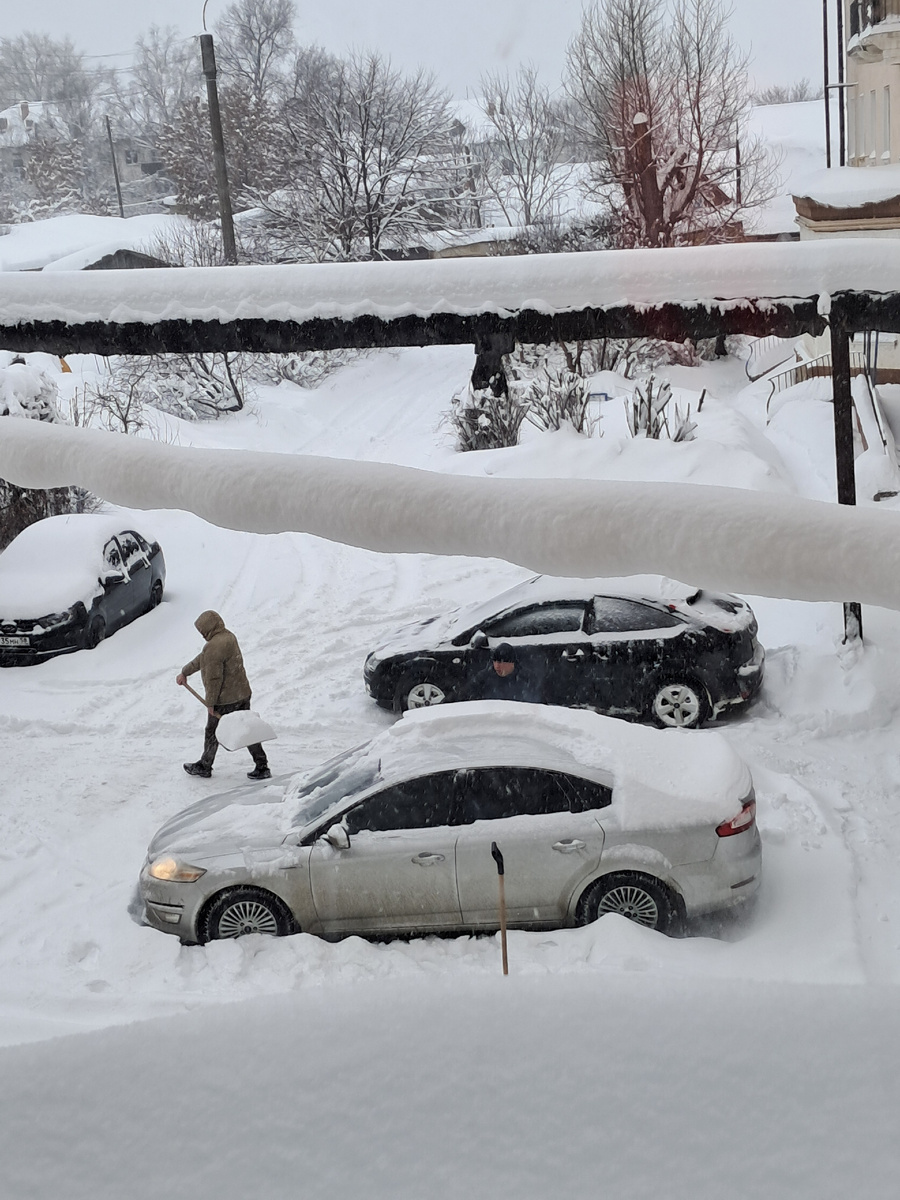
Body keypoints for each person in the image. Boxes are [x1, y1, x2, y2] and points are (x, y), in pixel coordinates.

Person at [176, 610, 271, 780]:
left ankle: (205, 765)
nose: (202, 634)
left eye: (202, 630)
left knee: (212, 731)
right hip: (242, 693)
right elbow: (205, 658)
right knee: (247, 728)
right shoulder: (228, 637)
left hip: (226, 699)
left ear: (207, 628)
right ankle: (262, 765)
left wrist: (211, 704)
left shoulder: (213, 646)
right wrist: (186, 671)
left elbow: (214, 679)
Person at [458, 642, 545, 704]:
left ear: (511, 663)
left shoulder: (527, 679)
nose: (496, 666)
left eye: (500, 662)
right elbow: (464, 695)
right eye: (494, 661)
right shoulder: (484, 678)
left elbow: (540, 705)